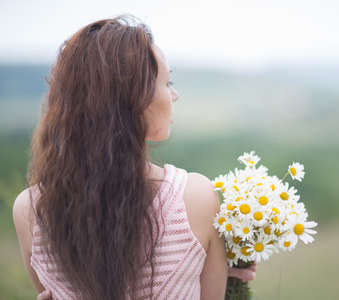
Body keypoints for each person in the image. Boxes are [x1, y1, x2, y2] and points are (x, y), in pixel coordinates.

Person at [13, 15, 255, 300]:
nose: (174, 95)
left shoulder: (30, 211)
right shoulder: (196, 198)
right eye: (168, 82)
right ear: (135, 100)